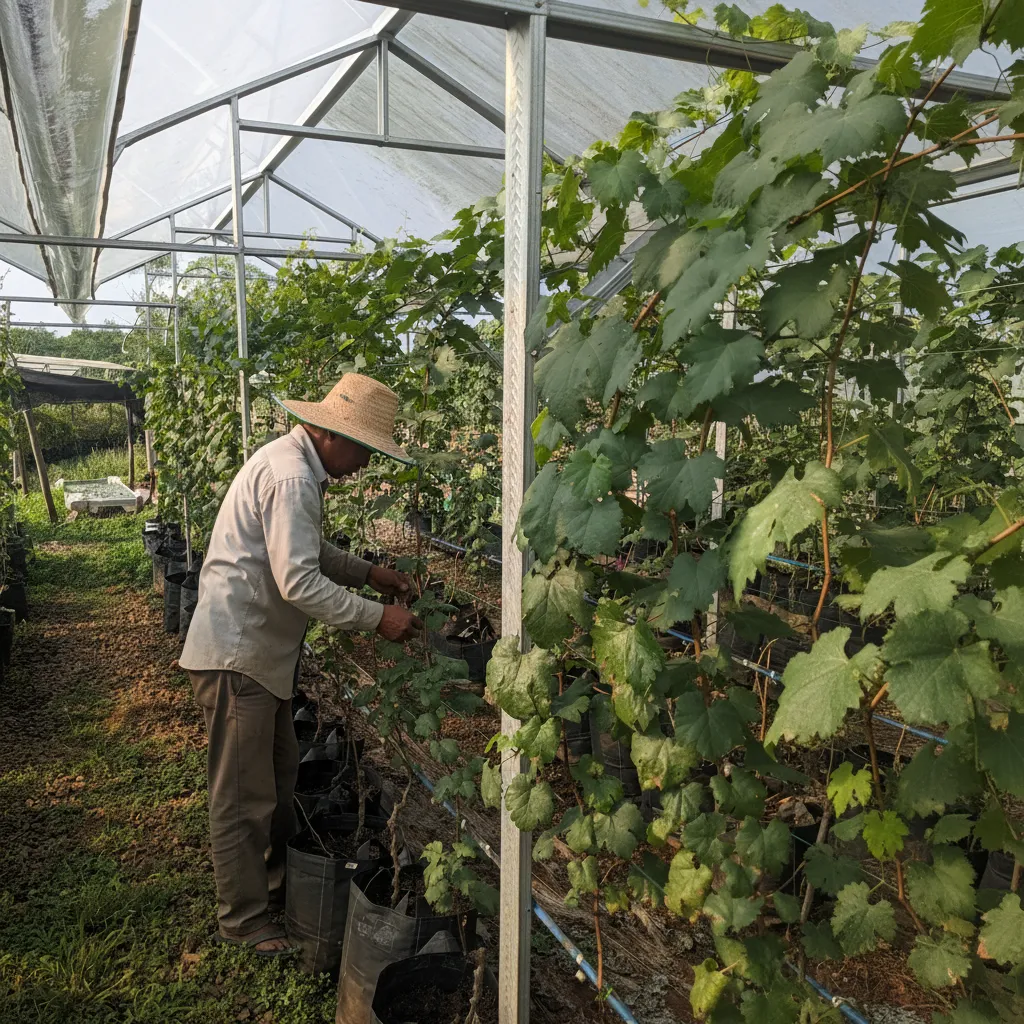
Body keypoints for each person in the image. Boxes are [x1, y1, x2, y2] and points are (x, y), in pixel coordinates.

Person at [180, 373, 422, 956]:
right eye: (365, 449)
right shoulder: (292, 477)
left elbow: (306, 551)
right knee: (243, 795)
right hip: (241, 657)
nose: (365, 463)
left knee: (281, 775)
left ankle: (268, 888)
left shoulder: (293, 466)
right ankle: (243, 920)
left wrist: (367, 571)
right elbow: (298, 581)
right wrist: (376, 616)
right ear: (333, 435)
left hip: (262, 656)